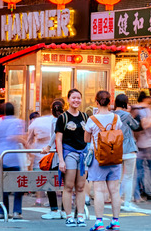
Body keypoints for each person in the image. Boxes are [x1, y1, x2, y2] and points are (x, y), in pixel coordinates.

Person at [84, 91, 123, 231]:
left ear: (96, 102)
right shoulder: (116, 118)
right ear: (110, 101)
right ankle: (115, 221)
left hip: (98, 158)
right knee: (114, 190)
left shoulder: (92, 119)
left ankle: (99, 222)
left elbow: (86, 139)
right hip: (114, 157)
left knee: (99, 190)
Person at [55, 88, 89, 227]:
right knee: (68, 186)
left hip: (83, 154)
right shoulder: (62, 118)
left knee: (81, 187)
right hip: (69, 153)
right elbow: (58, 140)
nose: (76, 100)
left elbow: (89, 136)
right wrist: (61, 160)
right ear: (68, 99)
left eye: (78, 98)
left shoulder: (85, 116)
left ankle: (80, 215)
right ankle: (69, 216)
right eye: (73, 98)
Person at [0, 102, 27, 219]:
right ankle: (17, 211)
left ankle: (2, 211)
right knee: (18, 185)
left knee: (3, 185)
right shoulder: (17, 122)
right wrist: (26, 144)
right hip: (13, 158)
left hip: (1, 157)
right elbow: (14, 137)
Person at [113, 94, 140, 211]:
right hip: (129, 149)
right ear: (125, 103)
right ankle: (127, 202)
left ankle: (116, 200)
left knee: (117, 178)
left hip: (115, 149)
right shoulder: (127, 115)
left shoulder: (111, 115)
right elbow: (135, 126)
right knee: (128, 177)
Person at [40, 99, 66, 219]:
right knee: (67, 184)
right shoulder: (67, 118)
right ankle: (65, 210)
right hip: (67, 154)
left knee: (50, 181)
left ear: (51, 110)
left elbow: (55, 134)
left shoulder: (55, 120)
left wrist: (49, 146)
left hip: (56, 155)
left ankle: (54, 209)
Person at [133, 91, 151, 201]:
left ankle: (139, 192)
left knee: (139, 170)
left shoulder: (135, 112)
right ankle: (150, 191)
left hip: (138, 144)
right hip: (150, 144)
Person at [28, 108, 54, 206]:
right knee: (54, 177)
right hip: (52, 153)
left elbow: (29, 140)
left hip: (39, 153)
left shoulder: (35, 123)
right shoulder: (57, 120)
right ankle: (59, 200)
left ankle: (39, 199)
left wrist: (30, 154)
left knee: (40, 178)